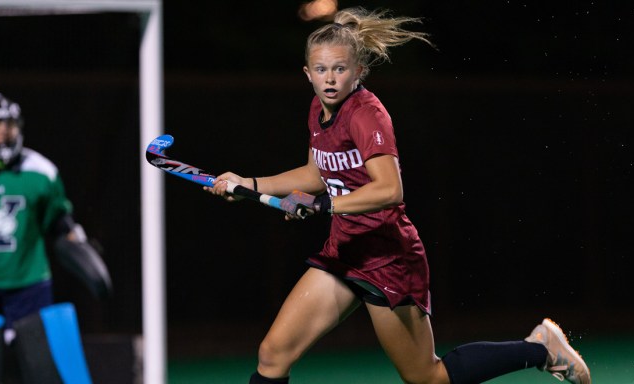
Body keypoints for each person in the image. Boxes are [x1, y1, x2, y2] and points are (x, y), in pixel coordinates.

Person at [206, 7, 592, 384]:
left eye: (340, 69)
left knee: (427, 377)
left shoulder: (365, 114)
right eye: (321, 70)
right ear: (307, 73)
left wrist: (325, 205)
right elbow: (314, 173)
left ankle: (541, 349)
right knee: (273, 355)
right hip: (344, 251)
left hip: (387, 257)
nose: (330, 79)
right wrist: (249, 184)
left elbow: (390, 190)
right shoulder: (319, 108)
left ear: (359, 71)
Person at [0, 92, 111, 382]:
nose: (4, 132)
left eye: (10, 124)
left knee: (43, 371)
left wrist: (79, 247)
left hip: (29, 284)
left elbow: (60, 223)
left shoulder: (41, 173)